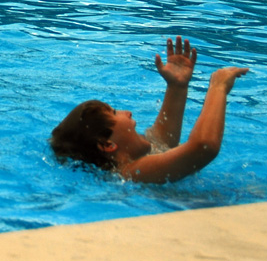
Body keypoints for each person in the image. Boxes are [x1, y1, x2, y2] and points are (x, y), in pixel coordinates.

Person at [50, 36, 249, 184]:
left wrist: (177, 86)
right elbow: (204, 147)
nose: (127, 112)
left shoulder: (134, 165)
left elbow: (163, 140)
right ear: (108, 145)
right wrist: (218, 87)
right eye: (114, 113)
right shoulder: (130, 173)